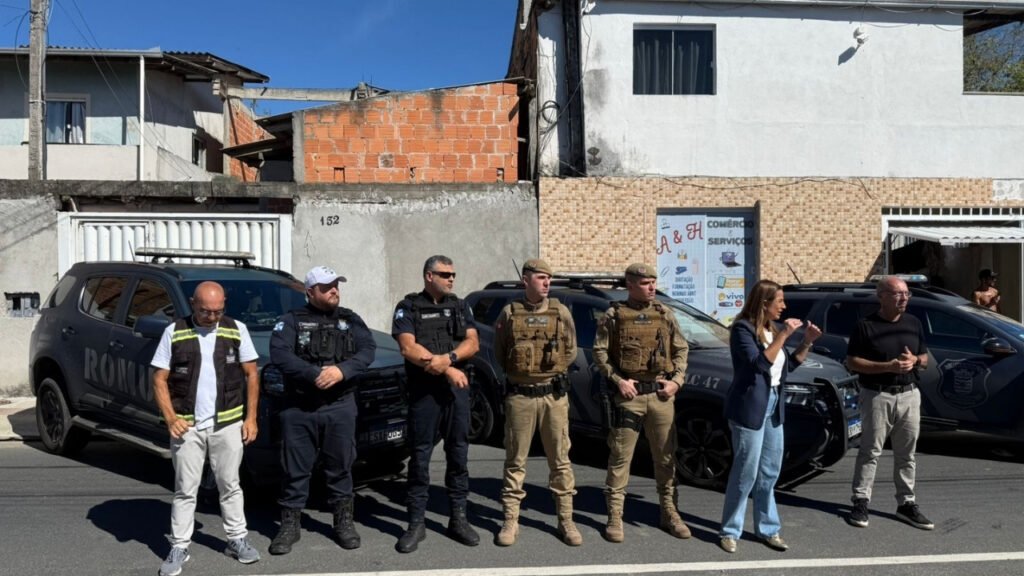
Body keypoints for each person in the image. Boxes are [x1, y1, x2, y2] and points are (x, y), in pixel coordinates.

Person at [152, 281, 260, 576]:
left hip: (228, 424)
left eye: (217, 311)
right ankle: (179, 546)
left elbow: (252, 374)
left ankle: (237, 539)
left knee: (230, 484)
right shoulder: (174, 332)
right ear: (192, 303)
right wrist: (171, 417)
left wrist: (251, 419)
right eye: (205, 311)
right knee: (185, 489)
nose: (211, 317)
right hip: (187, 426)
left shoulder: (236, 329)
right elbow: (159, 378)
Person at [267, 266, 376, 554]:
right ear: (310, 291)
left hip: (339, 406)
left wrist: (341, 371)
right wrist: (313, 373)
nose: (334, 291)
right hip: (299, 407)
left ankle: (343, 523)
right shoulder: (290, 321)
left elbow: (367, 351)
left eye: (336, 285)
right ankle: (290, 526)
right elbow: (279, 354)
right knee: (295, 469)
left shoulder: (350, 320)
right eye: (327, 287)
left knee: (340, 467)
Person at [718, 280, 822, 554]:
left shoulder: (771, 329)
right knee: (745, 472)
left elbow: (787, 366)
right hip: (749, 407)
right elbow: (759, 364)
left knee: (769, 471)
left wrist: (807, 342)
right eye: (780, 301)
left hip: (774, 404)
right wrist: (784, 335)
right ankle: (730, 531)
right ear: (764, 303)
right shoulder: (742, 329)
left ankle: (768, 529)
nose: (784, 306)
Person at [593, 263, 691, 543]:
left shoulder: (664, 314)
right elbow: (600, 353)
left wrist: (677, 381)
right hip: (629, 396)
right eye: (646, 283)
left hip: (661, 395)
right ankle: (614, 516)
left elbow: (681, 348)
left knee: (666, 457)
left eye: (653, 282)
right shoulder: (614, 315)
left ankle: (670, 513)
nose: (651, 287)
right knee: (621, 457)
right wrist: (618, 380)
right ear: (630, 284)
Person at [392, 255, 481, 553]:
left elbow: (473, 343)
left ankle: (458, 519)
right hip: (424, 393)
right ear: (429, 276)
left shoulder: (459, 304)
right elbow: (408, 347)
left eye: (453, 274)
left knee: (458, 456)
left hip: (457, 394)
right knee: (420, 458)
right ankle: (416, 524)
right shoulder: (408, 307)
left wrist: (449, 359)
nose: (451, 279)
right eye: (445, 274)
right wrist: (448, 368)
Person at [493, 259, 581, 547]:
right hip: (520, 397)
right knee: (515, 461)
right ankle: (511, 521)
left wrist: (548, 374)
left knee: (560, 461)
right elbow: (500, 352)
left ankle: (566, 520)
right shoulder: (509, 313)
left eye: (549, 279)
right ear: (526, 281)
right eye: (541, 278)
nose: (547, 283)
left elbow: (570, 350)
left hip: (553, 397)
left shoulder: (561, 312)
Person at [846, 275, 933, 530]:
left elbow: (926, 358)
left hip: (909, 394)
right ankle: (861, 501)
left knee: (907, 454)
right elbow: (852, 362)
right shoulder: (866, 326)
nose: (904, 298)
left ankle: (906, 503)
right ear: (881, 296)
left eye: (906, 294)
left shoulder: (913, 323)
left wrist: (914, 361)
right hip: (876, 394)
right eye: (898, 294)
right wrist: (889, 366)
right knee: (870, 451)